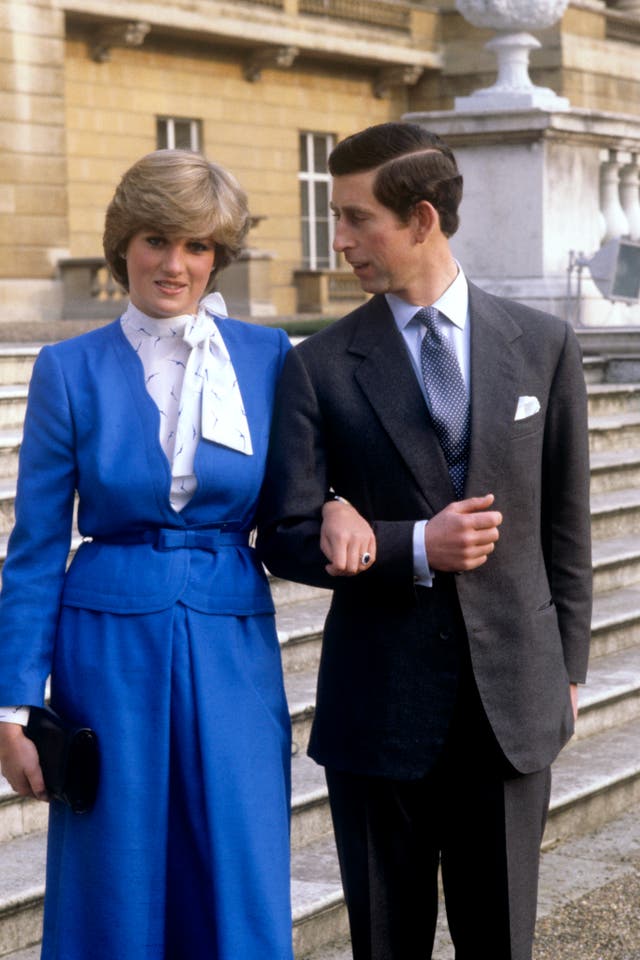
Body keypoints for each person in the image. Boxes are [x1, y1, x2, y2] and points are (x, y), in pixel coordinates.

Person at [257, 122, 592, 960]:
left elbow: (566, 525)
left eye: (357, 218)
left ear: (423, 219)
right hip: (378, 710)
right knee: (385, 945)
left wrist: (572, 670)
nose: (339, 242)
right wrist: (411, 547)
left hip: (512, 702)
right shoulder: (319, 364)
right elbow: (286, 535)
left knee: (500, 941)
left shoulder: (544, 346)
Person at [0, 148, 304, 959]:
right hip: (106, 644)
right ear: (122, 245)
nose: (175, 264)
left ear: (219, 257)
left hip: (231, 636)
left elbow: (301, 493)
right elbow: (33, 549)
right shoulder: (68, 369)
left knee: (237, 855)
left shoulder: (269, 356)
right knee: (117, 868)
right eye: (157, 240)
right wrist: (12, 707)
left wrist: (345, 509)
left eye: (198, 246)